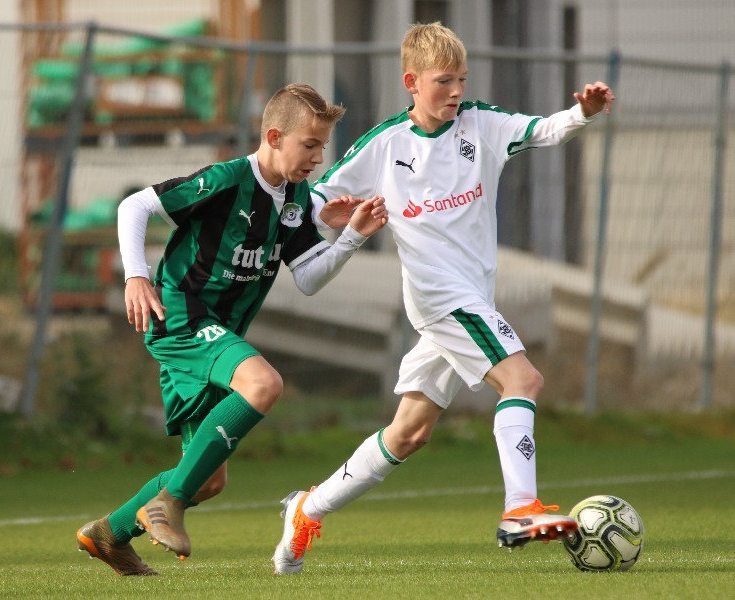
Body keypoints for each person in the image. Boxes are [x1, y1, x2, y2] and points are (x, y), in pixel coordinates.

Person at [272, 21, 616, 574]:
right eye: (442, 81)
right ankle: (519, 509)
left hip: (470, 296)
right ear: (412, 81)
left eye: (460, 79)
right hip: (439, 296)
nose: (455, 91)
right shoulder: (384, 144)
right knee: (522, 380)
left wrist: (584, 113)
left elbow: (546, 129)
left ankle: (307, 510)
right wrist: (328, 218)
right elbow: (315, 197)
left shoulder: (480, 124)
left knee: (408, 433)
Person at [75, 83, 388, 576]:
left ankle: (110, 535)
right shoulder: (226, 180)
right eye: (309, 145)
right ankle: (166, 504)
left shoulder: (293, 199)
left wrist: (348, 237)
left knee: (209, 481)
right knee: (264, 383)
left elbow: (307, 277)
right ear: (274, 136)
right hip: (182, 318)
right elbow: (135, 206)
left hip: (214, 334)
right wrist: (136, 275)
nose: (317, 158)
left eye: (322, 148)